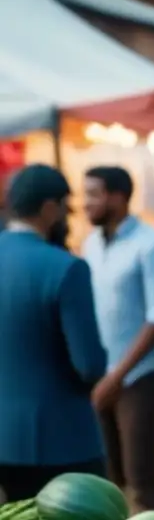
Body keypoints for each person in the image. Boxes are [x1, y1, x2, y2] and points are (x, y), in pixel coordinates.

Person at [0, 165, 107, 501]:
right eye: (65, 206)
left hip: (5, 439)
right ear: (49, 209)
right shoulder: (66, 268)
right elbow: (89, 364)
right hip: (64, 439)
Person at [81, 166, 154, 511]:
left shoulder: (152, 244)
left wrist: (117, 377)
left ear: (118, 197)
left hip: (137, 378)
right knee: (106, 481)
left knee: (142, 481)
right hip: (99, 376)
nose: (84, 203)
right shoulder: (89, 244)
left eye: (93, 194)